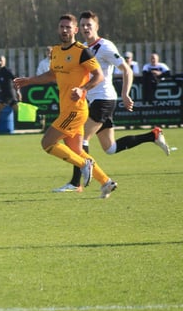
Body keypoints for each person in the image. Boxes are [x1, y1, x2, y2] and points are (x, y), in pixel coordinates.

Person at [53, 11, 170, 193]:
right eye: (82, 25)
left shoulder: (105, 46)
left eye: (88, 25)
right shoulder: (82, 47)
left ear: (96, 27)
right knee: (110, 148)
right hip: (91, 102)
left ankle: (76, 183)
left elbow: (126, 70)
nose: (85, 28)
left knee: (80, 139)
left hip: (104, 100)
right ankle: (152, 136)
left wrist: (125, 94)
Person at [14, 13, 118, 199]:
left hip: (76, 109)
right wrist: (29, 80)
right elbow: (52, 75)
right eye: (61, 27)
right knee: (77, 152)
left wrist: (83, 89)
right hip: (67, 109)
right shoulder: (55, 51)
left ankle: (83, 166)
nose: (64, 30)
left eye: (68, 27)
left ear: (75, 30)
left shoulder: (82, 51)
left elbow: (99, 76)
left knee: (47, 143)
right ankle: (106, 182)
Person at [0, 55, 20, 135]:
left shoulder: (7, 70)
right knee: (19, 112)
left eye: (1, 61)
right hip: (4, 94)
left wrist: (18, 92)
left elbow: (15, 80)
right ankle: (39, 118)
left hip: (9, 94)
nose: (0, 62)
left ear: (4, 62)